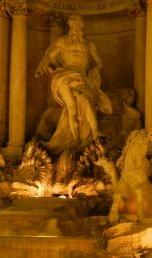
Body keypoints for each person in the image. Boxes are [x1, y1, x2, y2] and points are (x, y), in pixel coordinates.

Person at [35, 14, 112, 154]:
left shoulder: (88, 45)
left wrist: (94, 71)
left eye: (78, 24)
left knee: (85, 99)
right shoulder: (63, 41)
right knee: (71, 107)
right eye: (73, 24)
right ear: (70, 26)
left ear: (82, 26)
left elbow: (99, 62)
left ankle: (95, 133)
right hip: (64, 75)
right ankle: (76, 140)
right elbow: (49, 56)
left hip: (81, 77)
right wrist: (41, 66)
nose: (76, 27)